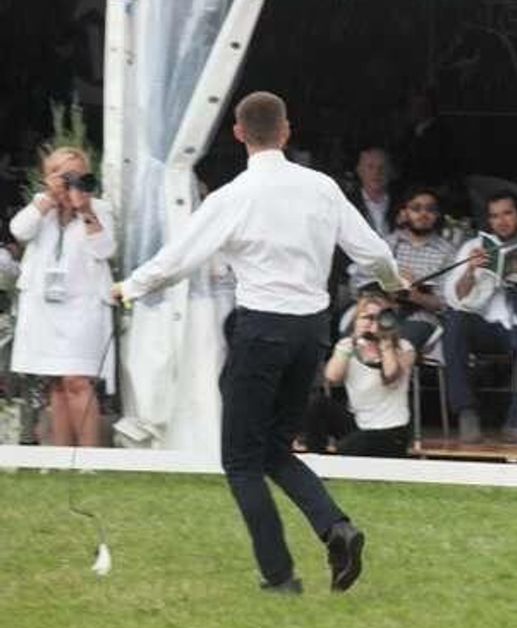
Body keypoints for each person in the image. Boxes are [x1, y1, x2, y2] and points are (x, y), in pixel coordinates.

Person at [114, 92, 404, 594]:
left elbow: (179, 258)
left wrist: (129, 288)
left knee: (241, 460)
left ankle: (279, 576)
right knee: (272, 448)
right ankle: (336, 527)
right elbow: (374, 251)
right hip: (310, 333)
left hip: (261, 330)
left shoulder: (232, 196)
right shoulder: (323, 188)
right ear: (286, 132)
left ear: (238, 133)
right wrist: (394, 282)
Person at [9, 146, 115, 447]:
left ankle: (90, 461)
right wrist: (48, 200)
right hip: (45, 307)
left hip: (84, 307)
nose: (72, 183)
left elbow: (105, 250)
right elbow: (19, 230)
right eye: (64, 176)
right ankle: (60, 457)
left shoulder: (99, 209)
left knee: (79, 382)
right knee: (56, 384)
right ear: (49, 177)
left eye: (79, 175)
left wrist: (85, 210)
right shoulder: (40, 207)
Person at [442, 191, 517, 442]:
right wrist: (471, 271)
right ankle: (467, 412)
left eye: (507, 213)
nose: (501, 221)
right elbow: (455, 298)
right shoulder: (474, 247)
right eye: (494, 216)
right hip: (486, 325)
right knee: (454, 322)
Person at [325, 294, 416, 457]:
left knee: (350, 446)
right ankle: (317, 464)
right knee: (318, 406)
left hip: (391, 429)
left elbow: (390, 377)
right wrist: (351, 343)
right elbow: (332, 378)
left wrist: (385, 344)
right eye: (367, 318)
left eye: (378, 319)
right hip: (359, 423)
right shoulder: (347, 346)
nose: (372, 324)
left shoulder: (404, 348)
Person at [383, 186, 455, 349]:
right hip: (382, 311)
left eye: (430, 209)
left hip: (421, 319)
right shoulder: (388, 244)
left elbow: (446, 303)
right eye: (416, 208)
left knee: (398, 347)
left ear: (437, 215)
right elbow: (358, 283)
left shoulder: (447, 252)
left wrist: (412, 294)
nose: (423, 214)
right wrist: (390, 280)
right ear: (405, 212)